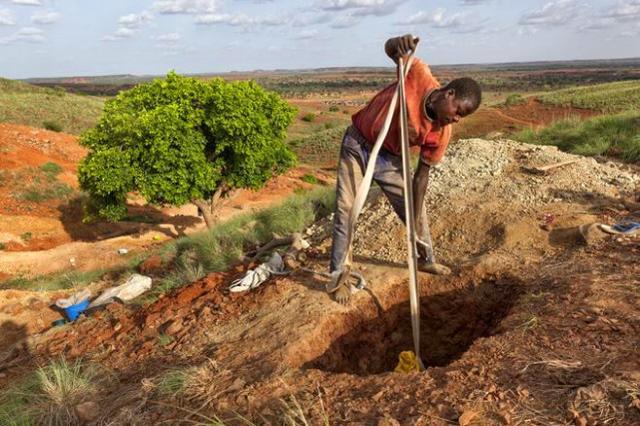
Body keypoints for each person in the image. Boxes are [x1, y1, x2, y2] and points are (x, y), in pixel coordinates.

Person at [329, 34, 482, 303]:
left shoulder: (441, 133)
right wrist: (396, 45)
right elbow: (391, 50)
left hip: (390, 159)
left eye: (462, 117)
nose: (456, 118)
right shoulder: (418, 74)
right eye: (458, 110)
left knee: (416, 212)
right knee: (345, 209)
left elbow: (421, 176)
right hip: (357, 144)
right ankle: (339, 276)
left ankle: (426, 259)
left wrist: (412, 212)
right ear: (449, 93)